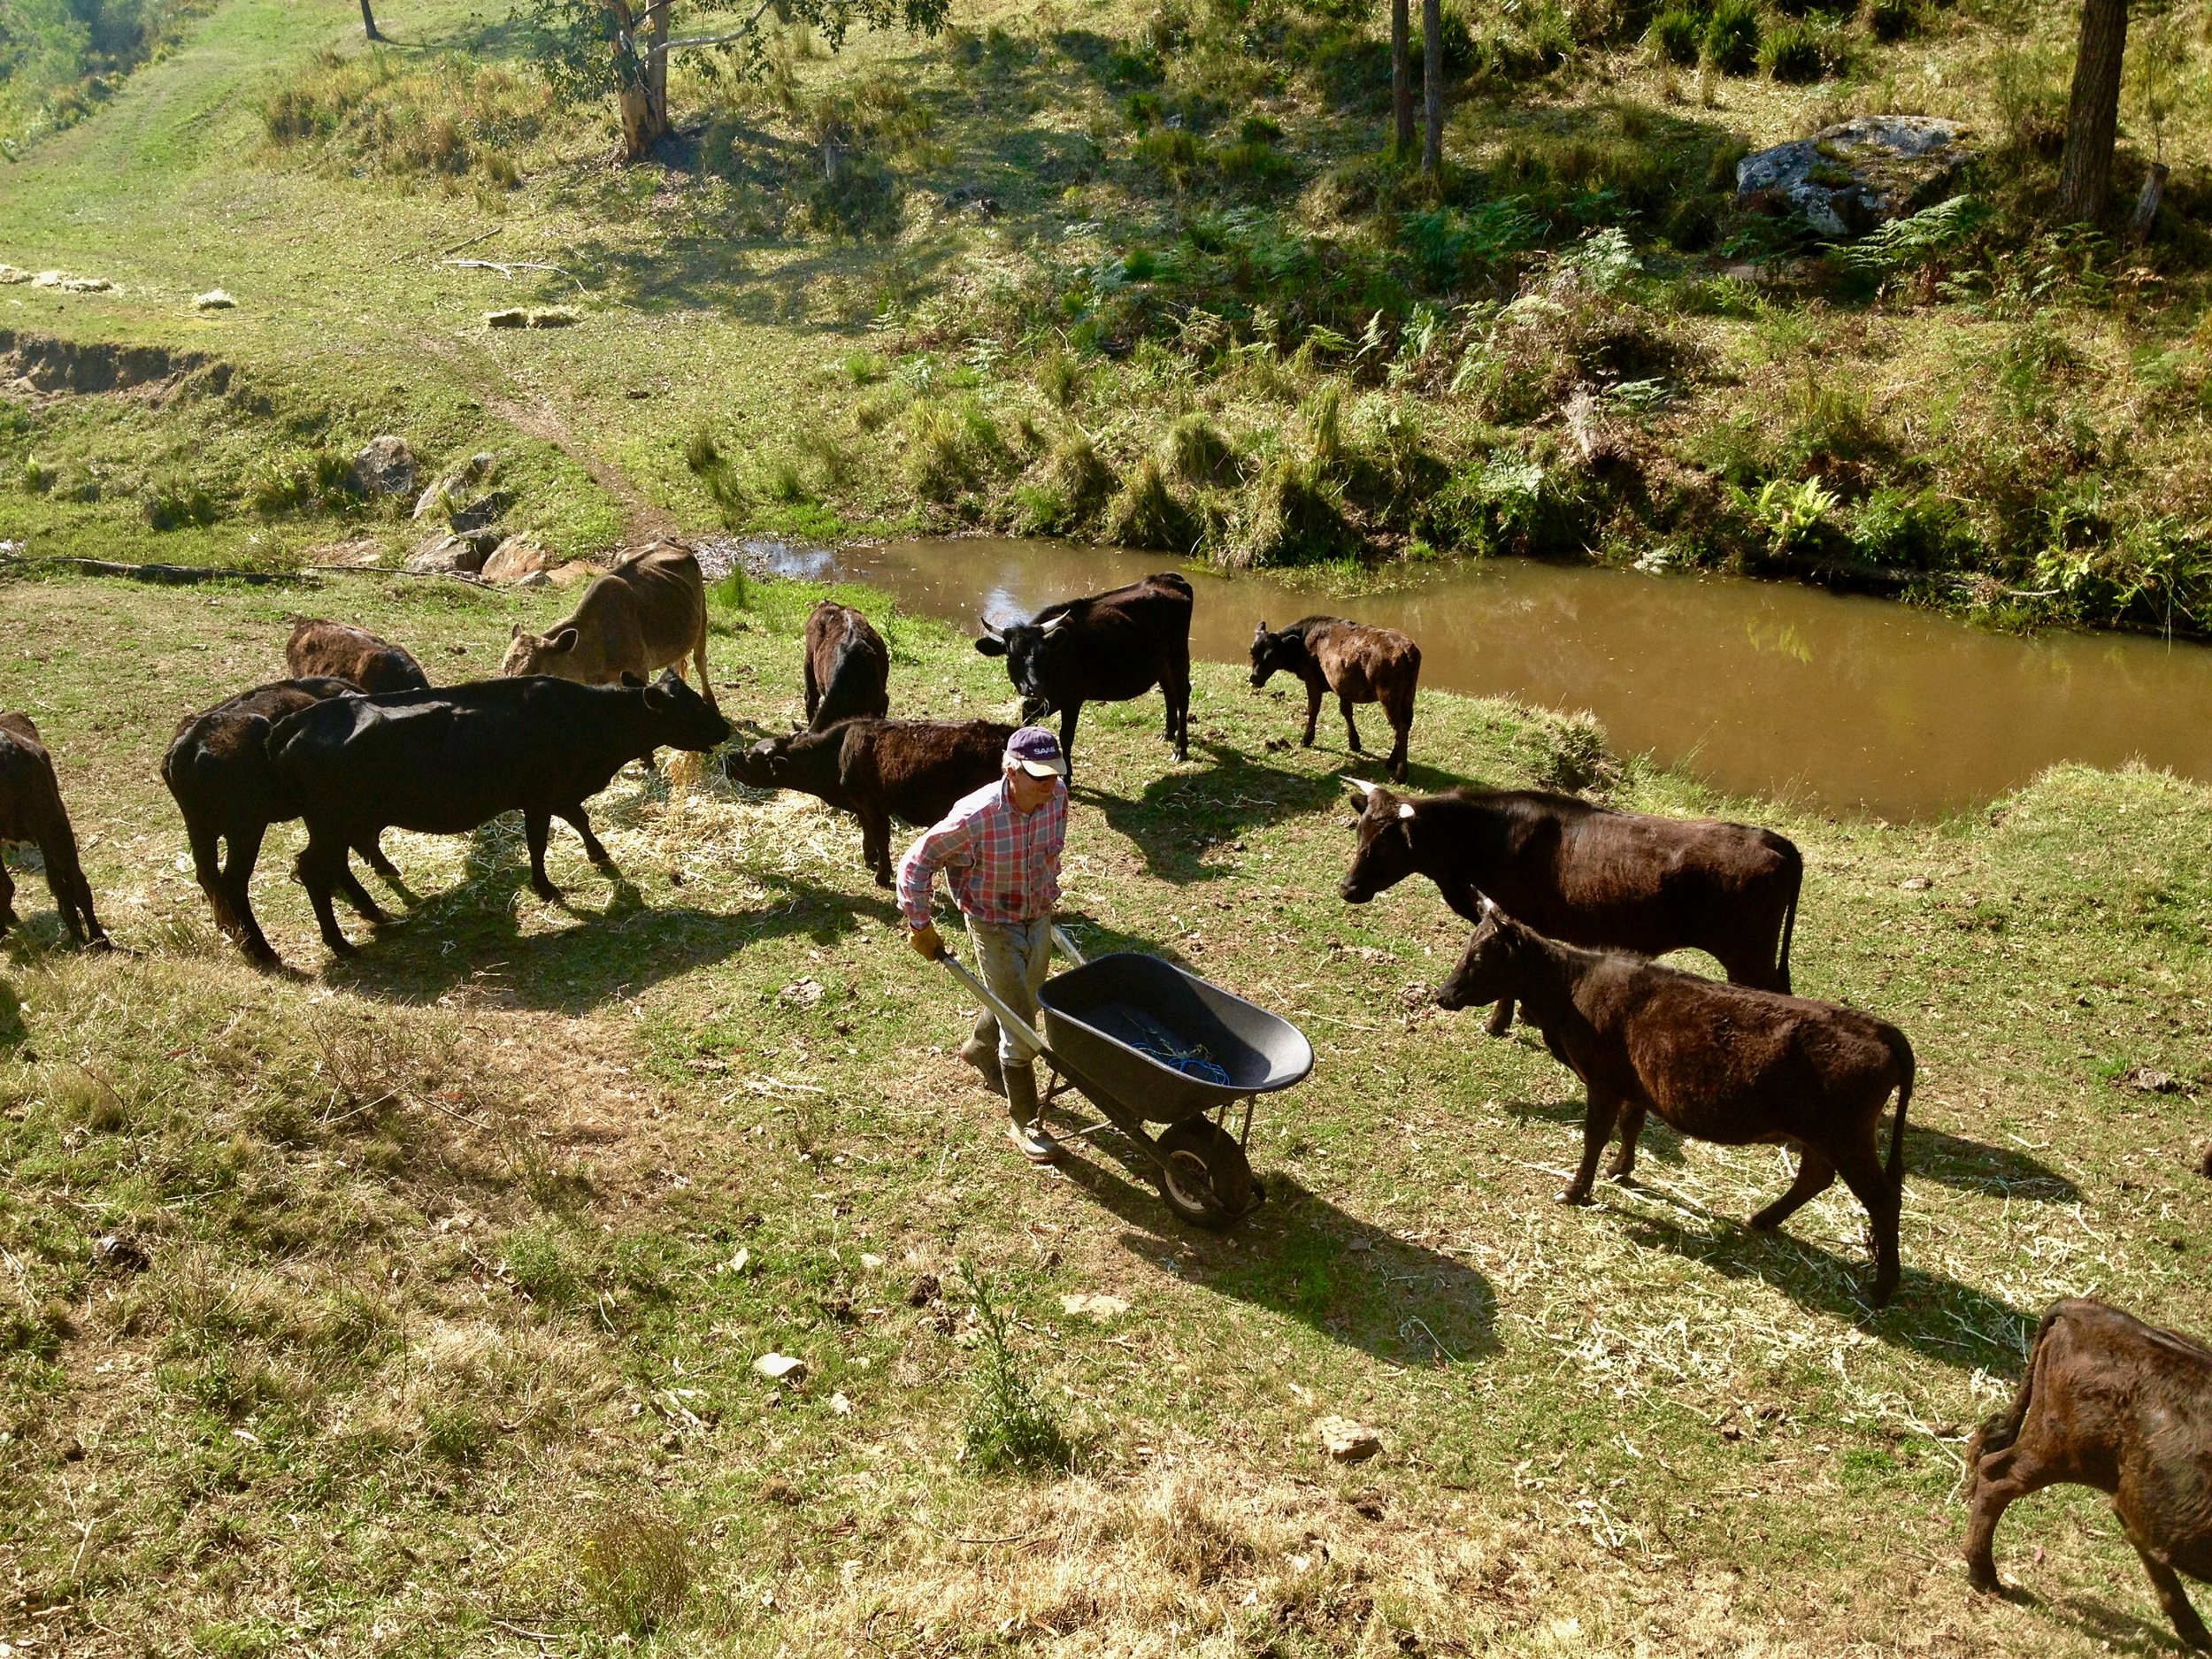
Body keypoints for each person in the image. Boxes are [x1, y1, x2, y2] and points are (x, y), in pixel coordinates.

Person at [899, 726, 1070, 1164]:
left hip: (1039, 913)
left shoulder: (1058, 797)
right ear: (1011, 771)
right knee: (1022, 1024)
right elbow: (916, 863)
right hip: (992, 922)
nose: (1050, 785)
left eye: (1054, 773)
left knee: (1023, 995)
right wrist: (921, 923)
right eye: (1039, 776)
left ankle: (978, 1048)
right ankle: (1024, 1122)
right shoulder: (974, 817)